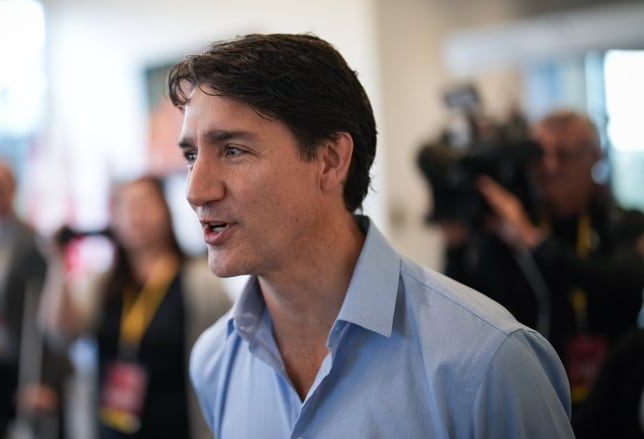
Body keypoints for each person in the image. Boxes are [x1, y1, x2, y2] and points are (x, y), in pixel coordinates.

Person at [166, 33, 574, 438]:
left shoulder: (487, 362)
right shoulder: (215, 362)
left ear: (330, 160)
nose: (196, 191)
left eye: (233, 150)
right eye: (191, 156)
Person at [441, 109, 644, 405]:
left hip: (616, 400)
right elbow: (465, 312)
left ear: (594, 157)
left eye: (564, 155)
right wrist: (456, 244)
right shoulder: (504, 233)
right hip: (532, 397)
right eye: (540, 155)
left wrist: (532, 241)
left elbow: (620, 282)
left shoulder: (626, 223)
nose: (549, 166)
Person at [39, 176, 231, 439]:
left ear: (165, 210)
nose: (135, 215)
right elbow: (61, 334)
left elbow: (230, 354)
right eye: (125, 207)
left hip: (179, 427)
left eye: (144, 204)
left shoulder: (198, 281)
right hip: (111, 429)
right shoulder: (102, 284)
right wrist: (58, 263)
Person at [0, 159, 72, 439]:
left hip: (21, 361)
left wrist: (48, 379)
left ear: (13, 189)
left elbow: (47, 317)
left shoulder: (32, 242)